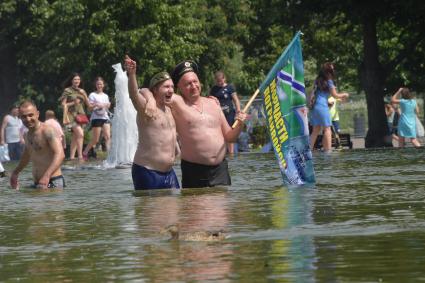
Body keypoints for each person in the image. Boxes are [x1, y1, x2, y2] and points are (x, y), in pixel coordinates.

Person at [143, 60, 246, 188]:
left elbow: (230, 137)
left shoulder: (213, 103)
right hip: (194, 171)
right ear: (179, 88)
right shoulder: (176, 102)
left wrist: (240, 123)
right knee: (194, 207)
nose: (193, 86)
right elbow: (146, 90)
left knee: (222, 207)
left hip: (220, 171)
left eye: (195, 81)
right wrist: (151, 102)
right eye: (188, 84)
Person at [124, 55, 180, 190]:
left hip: (169, 173)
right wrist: (132, 75)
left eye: (172, 87)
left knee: (176, 209)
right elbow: (134, 95)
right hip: (147, 171)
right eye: (166, 87)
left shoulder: (170, 109)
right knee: (151, 210)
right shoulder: (147, 108)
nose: (171, 90)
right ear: (155, 89)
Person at [10, 101, 65, 189]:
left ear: (37, 114)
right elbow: (26, 156)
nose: (28, 119)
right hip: (38, 183)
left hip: (52, 181)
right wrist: (15, 173)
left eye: (30, 115)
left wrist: (47, 176)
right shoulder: (26, 135)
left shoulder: (47, 131)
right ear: (20, 117)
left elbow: (60, 154)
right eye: (24, 117)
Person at [309, 62, 349, 152]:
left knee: (315, 130)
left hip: (315, 107)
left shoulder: (317, 80)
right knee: (327, 129)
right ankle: (328, 151)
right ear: (328, 71)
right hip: (323, 107)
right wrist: (345, 94)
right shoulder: (329, 81)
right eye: (332, 69)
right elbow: (335, 95)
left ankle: (308, 151)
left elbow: (315, 95)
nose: (333, 71)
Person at [59, 73, 90, 161]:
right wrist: (73, 103)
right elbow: (63, 104)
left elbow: (88, 105)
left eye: (78, 79)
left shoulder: (82, 91)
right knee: (80, 134)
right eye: (75, 79)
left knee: (75, 137)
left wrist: (84, 95)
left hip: (81, 115)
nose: (77, 81)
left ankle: (72, 157)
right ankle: (80, 157)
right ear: (71, 81)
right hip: (71, 115)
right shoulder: (67, 90)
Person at [210, 70, 242, 154]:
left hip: (229, 114)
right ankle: (222, 153)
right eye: (218, 81)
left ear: (224, 79)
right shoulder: (214, 89)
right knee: (220, 134)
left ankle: (231, 153)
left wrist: (238, 110)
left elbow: (236, 100)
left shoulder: (230, 87)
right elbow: (210, 100)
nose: (220, 83)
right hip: (219, 115)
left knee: (229, 133)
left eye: (221, 80)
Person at [82, 77, 111, 160]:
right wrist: (97, 105)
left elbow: (108, 105)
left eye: (101, 84)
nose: (99, 85)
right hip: (96, 118)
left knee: (108, 136)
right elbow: (90, 108)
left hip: (105, 117)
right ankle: (85, 152)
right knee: (95, 139)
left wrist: (107, 105)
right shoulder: (92, 95)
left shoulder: (106, 95)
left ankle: (109, 155)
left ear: (103, 85)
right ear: (96, 85)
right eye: (98, 84)